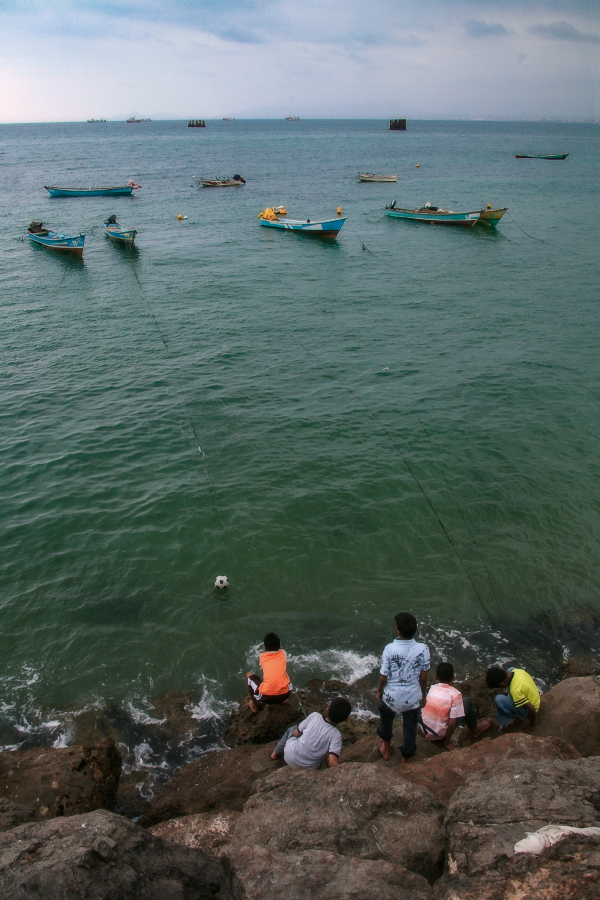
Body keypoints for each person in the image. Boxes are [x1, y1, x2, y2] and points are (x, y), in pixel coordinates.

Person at [376, 612, 430, 763]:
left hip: (391, 697)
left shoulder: (390, 648)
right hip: (412, 699)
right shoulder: (423, 649)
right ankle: (405, 759)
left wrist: (379, 691)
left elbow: (384, 676)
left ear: (398, 631)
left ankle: (387, 751)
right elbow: (423, 678)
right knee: (410, 729)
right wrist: (423, 696)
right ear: (416, 629)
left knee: (386, 723)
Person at [420, 662, 492, 750]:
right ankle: (476, 730)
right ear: (453, 677)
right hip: (439, 735)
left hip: (425, 730)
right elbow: (452, 723)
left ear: (436, 677)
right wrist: (447, 743)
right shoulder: (455, 694)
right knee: (467, 701)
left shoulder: (432, 688)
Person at [270, 697, 352, 768]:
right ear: (346, 719)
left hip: (289, 756)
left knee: (292, 729)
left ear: (328, 710)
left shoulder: (315, 715)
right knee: (320, 759)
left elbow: (296, 733)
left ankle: (275, 754)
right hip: (309, 768)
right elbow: (332, 763)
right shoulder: (336, 735)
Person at [246, 632, 291, 714]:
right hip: (285, 694)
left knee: (248, 675)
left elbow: (263, 668)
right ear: (280, 646)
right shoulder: (283, 653)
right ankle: (284, 700)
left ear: (264, 648)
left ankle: (255, 706)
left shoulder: (262, 656)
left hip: (265, 697)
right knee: (284, 673)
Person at [485, 665, 540, 730]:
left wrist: (532, 725)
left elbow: (532, 709)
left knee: (499, 699)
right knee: (510, 669)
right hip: (536, 698)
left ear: (502, 684)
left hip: (531, 710)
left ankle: (513, 720)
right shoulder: (517, 671)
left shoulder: (515, 691)